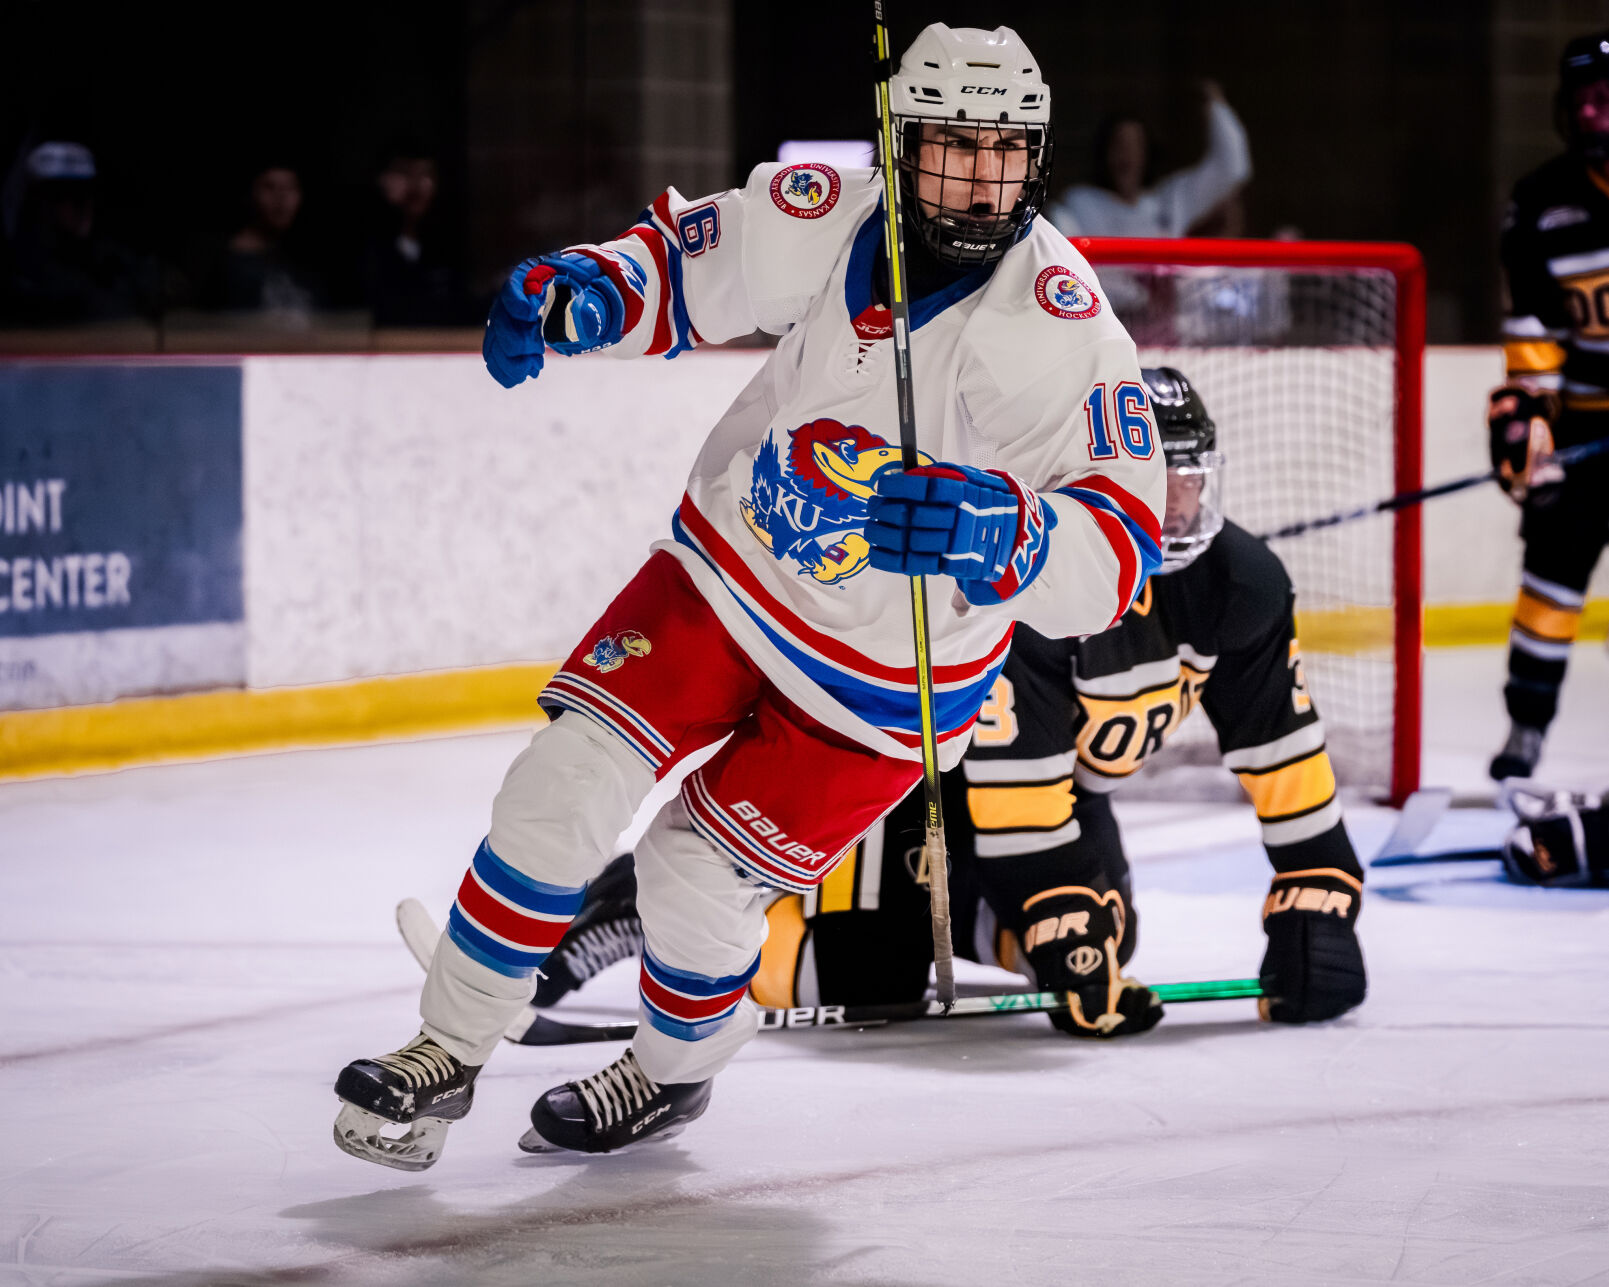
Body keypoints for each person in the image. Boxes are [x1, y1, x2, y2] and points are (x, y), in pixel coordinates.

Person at [332, 22, 1164, 1168]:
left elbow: (1120, 548)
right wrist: (586, 294)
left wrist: (1011, 535)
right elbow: (684, 269)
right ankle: (444, 1051)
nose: (980, 175)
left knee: (690, 877)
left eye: (1005, 148)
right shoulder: (828, 207)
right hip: (726, 575)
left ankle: (668, 1078)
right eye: (952, 144)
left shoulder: (1064, 325)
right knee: (560, 787)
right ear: (898, 140)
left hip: (885, 686)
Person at [538, 367, 1366, 1035]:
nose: (1174, 505)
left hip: (1049, 800)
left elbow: (1280, 744)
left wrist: (1317, 884)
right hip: (915, 781)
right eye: (1153, 481)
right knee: (866, 968)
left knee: (1107, 938)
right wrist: (1062, 925)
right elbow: (1019, 797)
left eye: (1187, 480)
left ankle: (959, 916)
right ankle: (654, 912)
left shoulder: (1241, 583)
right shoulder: (1039, 578)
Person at [1486, 31, 1609, 781]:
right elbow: (1533, 334)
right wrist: (1526, 419)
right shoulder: (1537, 202)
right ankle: (1525, 730)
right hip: (1584, 423)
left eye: (1607, 98)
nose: (1594, 112)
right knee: (1550, 580)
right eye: (1583, 100)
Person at [1044, 83, 1251, 238]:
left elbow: (1231, 168)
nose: (1127, 154)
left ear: (1147, 153)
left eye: (1135, 145)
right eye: (1118, 145)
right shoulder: (1081, 204)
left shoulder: (1170, 202)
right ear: (1104, 153)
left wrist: (1216, 106)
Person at [1, 141, 160, 326]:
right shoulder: (23, 272)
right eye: (66, 193)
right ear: (39, 202)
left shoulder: (109, 258)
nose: (83, 205)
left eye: (87, 192)